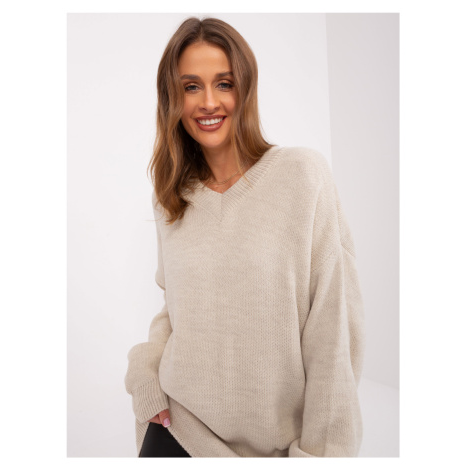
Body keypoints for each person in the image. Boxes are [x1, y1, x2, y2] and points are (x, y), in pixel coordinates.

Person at [124, 16, 365, 458]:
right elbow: (175, 307)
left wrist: (322, 454)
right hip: (179, 427)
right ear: (173, 98)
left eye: (224, 83)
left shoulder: (302, 176)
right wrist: (144, 371)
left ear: (246, 89)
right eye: (191, 86)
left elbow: (334, 329)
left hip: (274, 448)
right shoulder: (171, 197)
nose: (208, 102)